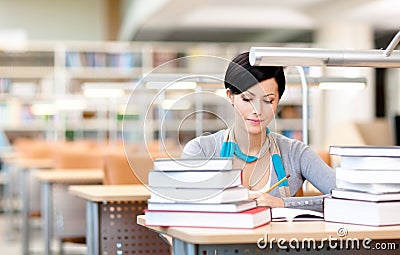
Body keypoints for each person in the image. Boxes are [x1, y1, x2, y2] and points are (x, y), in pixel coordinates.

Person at [181, 52, 335, 211]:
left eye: (268, 100)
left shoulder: (295, 153)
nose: (258, 110)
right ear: (230, 96)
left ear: (278, 101)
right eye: (247, 99)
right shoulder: (201, 150)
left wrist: (283, 204)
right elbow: (183, 204)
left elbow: (347, 197)